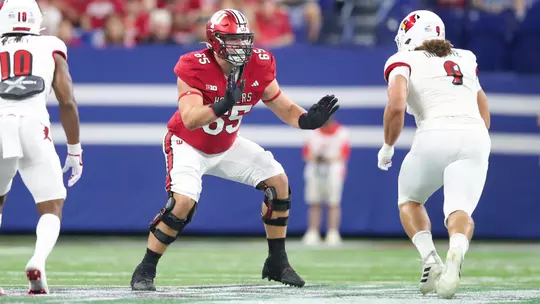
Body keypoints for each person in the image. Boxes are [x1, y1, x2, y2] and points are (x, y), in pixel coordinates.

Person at [130, 8, 339, 291]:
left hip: (226, 144)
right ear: (215, 40)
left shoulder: (260, 62)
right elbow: (190, 119)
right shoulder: (194, 64)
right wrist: (222, 104)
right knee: (182, 203)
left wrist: (306, 120)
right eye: (233, 40)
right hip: (188, 144)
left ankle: (277, 262)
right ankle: (146, 268)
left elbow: (283, 106)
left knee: (278, 182)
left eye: (244, 39)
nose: (241, 47)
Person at [378, 10, 491, 299]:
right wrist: (477, 142)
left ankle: (430, 259)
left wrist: (388, 146)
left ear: (407, 36)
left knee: (409, 200)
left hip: (435, 132)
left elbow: (396, 104)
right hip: (475, 134)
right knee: (459, 211)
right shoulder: (466, 57)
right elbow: (483, 109)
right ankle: (456, 249)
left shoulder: (402, 59)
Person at [0, 0, 83, 294]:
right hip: (34, 124)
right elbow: (66, 99)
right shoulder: (51, 44)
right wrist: (74, 150)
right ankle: (38, 261)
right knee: (51, 204)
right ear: (36, 20)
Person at [301, 116, 350, 246]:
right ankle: (312, 232)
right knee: (314, 202)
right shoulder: (312, 133)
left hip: (334, 172)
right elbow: (306, 154)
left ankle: (333, 232)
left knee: (334, 202)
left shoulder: (341, 133)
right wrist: (316, 157)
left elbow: (343, 154)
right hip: (315, 170)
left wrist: (327, 158)